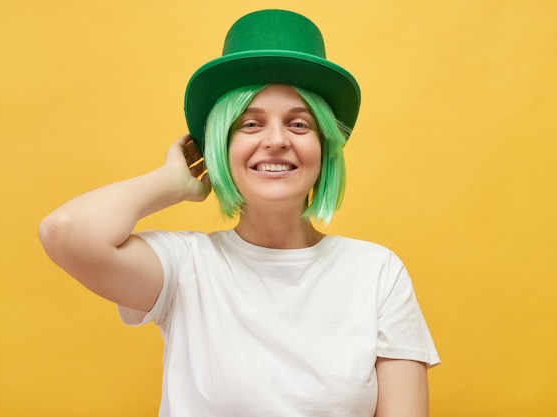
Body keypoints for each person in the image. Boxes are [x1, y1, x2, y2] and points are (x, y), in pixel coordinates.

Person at [39, 9, 439, 417]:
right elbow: (65, 230)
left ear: (324, 147)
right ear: (220, 147)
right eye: (250, 124)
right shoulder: (184, 267)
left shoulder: (376, 272)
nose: (277, 140)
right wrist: (173, 183)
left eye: (300, 125)